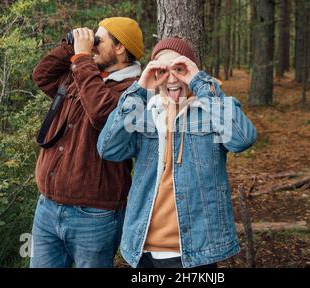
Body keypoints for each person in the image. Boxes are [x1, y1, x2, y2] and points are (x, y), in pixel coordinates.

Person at [97, 37, 256, 268]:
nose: (172, 78)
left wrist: (201, 83)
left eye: (180, 69)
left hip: (195, 251)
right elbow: (108, 147)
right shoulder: (145, 112)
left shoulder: (211, 111)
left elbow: (243, 139)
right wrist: (139, 89)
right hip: (143, 250)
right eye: (162, 70)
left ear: (192, 71)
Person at [30, 17, 144, 268]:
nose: (91, 46)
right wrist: (70, 47)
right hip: (48, 206)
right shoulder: (85, 74)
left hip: (93, 216)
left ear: (120, 48)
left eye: (98, 41)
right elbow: (41, 76)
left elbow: (102, 114)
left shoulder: (134, 90)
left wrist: (81, 60)